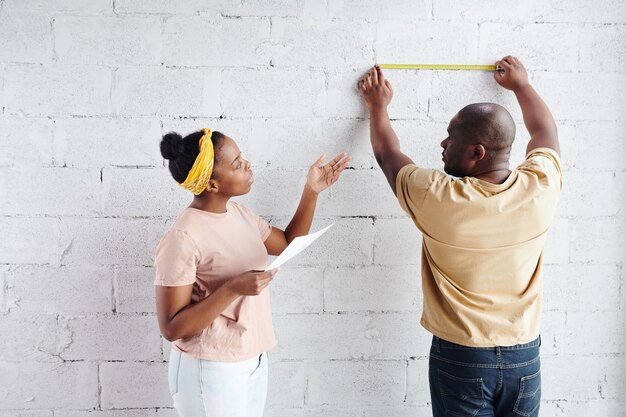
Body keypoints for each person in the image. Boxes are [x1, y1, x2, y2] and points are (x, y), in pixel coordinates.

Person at [358, 56, 561, 417]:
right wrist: (522, 86)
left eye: (451, 137)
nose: (443, 142)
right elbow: (545, 133)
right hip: (524, 357)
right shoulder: (541, 188)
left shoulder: (438, 197)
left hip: (463, 357)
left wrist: (378, 107)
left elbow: (387, 154)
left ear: (476, 153)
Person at [154, 128, 350, 417]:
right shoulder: (183, 236)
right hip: (209, 368)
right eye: (236, 164)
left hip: (253, 359)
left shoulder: (239, 214)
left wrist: (312, 190)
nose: (247, 165)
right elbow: (171, 327)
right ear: (211, 184)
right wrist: (232, 288)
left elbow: (286, 243)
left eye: (242, 158)